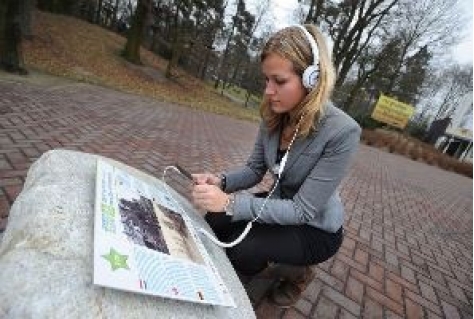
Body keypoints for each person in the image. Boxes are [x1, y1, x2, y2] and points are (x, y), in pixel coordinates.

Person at [191, 24, 361, 307]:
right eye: (266, 80)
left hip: (314, 228)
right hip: (280, 203)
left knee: (243, 248)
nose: (269, 91)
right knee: (216, 220)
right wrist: (220, 182)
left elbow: (303, 210)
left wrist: (231, 203)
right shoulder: (274, 113)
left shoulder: (343, 132)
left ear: (312, 78)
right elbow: (254, 169)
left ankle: (295, 272)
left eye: (279, 81)